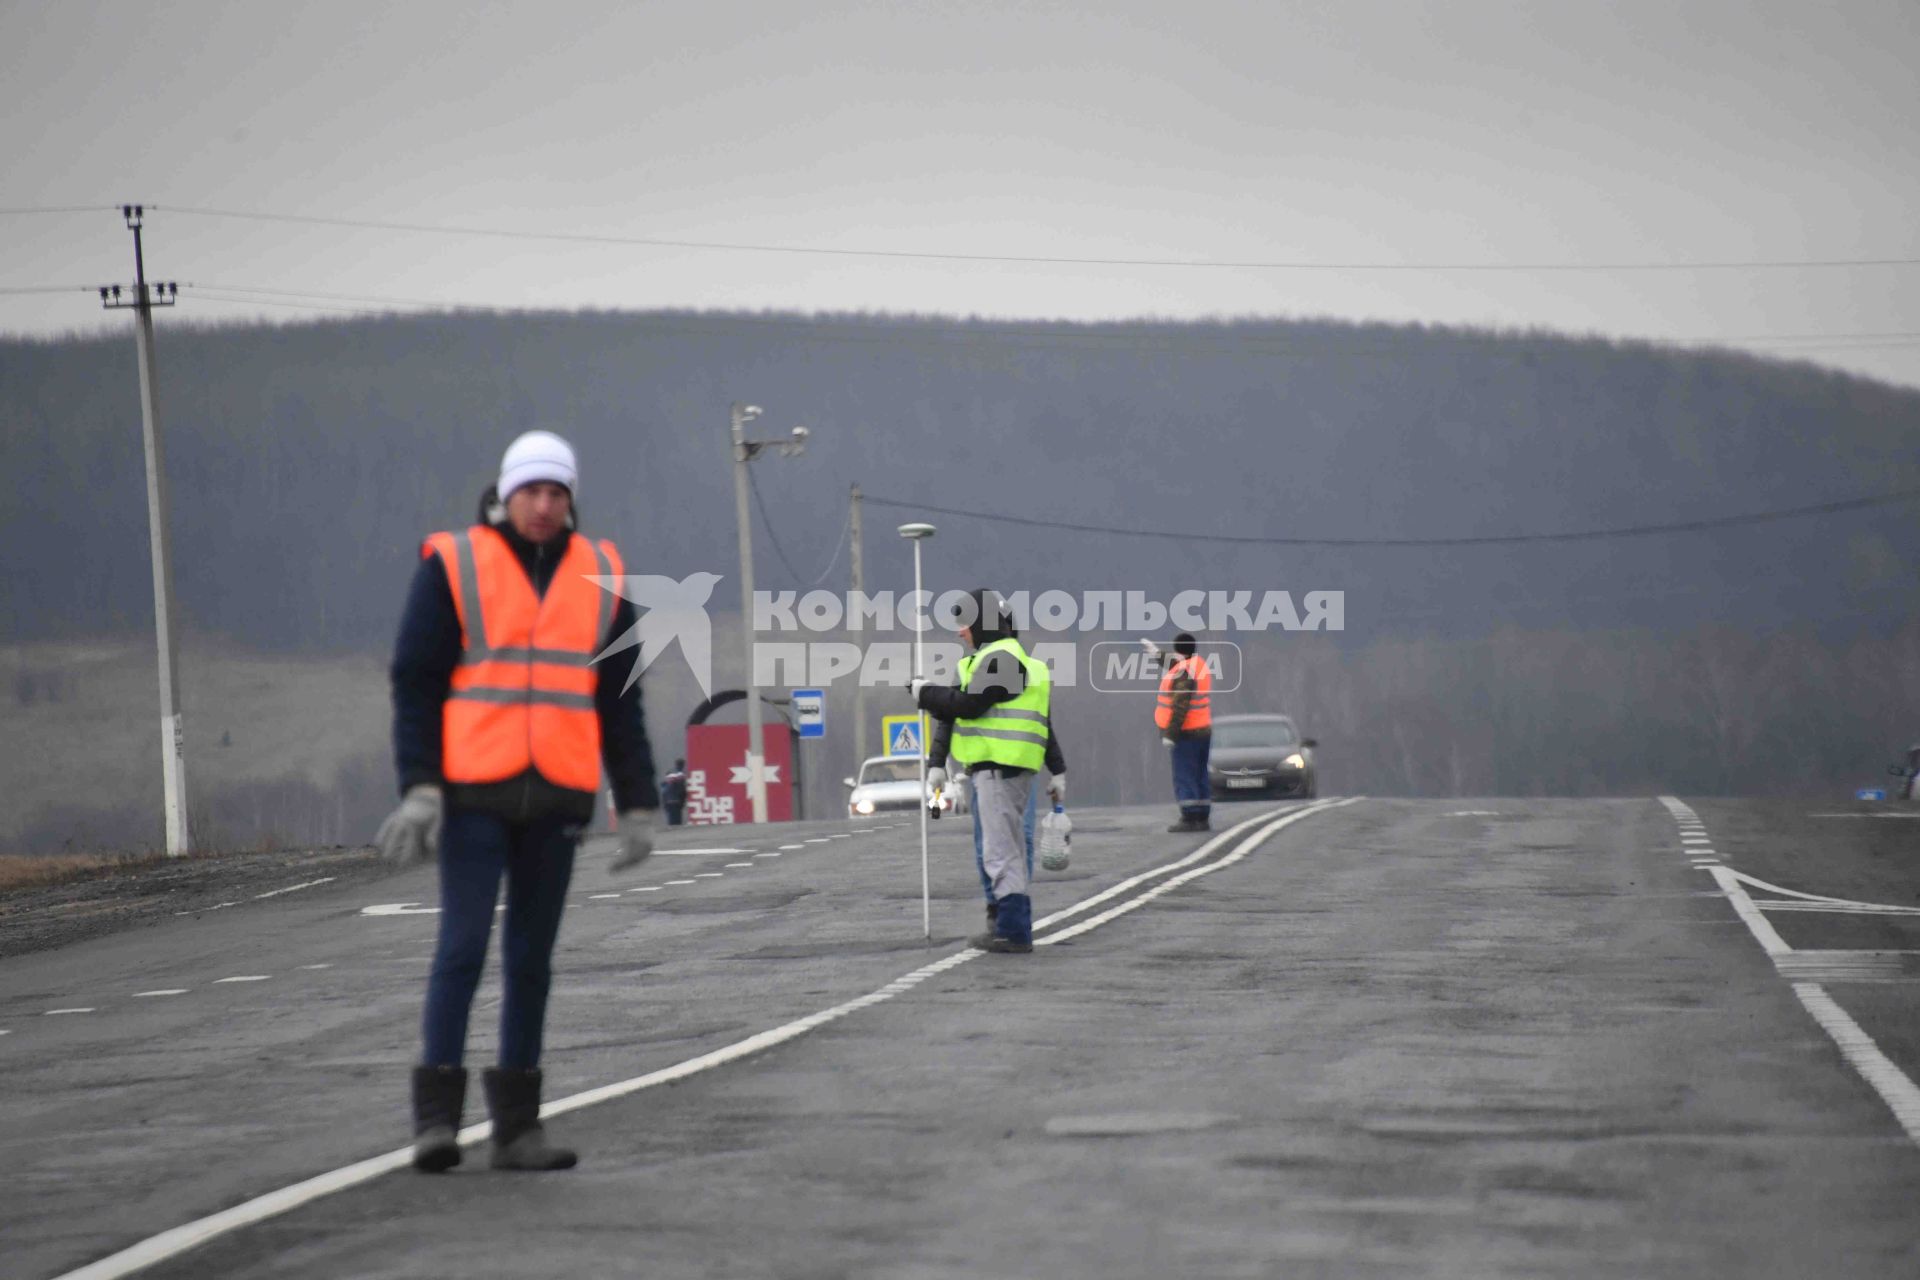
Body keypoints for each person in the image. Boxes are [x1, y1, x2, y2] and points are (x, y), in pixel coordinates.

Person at [377, 429, 660, 1174]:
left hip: (559, 801)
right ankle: (436, 1123)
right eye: (531, 490)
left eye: (557, 492)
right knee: (463, 950)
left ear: (571, 501)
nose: (543, 505)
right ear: (506, 494)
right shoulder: (458, 565)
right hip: (472, 795)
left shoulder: (600, 576)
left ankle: (517, 1132)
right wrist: (420, 788)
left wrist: (635, 803)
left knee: (531, 961)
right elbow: (417, 680)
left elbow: (619, 702)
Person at [914, 589, 1066, 954]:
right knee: (1000, 849)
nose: (960, 631)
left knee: (1002, 852)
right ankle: (1005, 922)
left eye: (965, 623)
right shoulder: (996, 661)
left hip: (1001, 770)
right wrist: (937, 764)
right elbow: (956, 713)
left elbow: (967, 705)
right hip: (998, 771)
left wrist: (923, 693)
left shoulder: (1003, 661)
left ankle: (1012, 930)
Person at [1157, 631, 1213, 832]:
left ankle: (1189, 817)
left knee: (1184, 775)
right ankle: (1202, 815)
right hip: (1203, 731)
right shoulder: (1198, 665)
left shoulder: (1184, 673)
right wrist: (1157, 655)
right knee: (1199, 773)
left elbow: (1180, 707)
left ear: (1178, 651)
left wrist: (1170, 735)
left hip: (1186, 733)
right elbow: (1176, 665)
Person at [660, 758, 689, 825]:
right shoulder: (680, 774)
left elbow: (665, 787)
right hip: (676, 799)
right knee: (676, 820)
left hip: (669, 798)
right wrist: (683, 798)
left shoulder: (672, 773)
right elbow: (681, 789)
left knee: (672, 819)